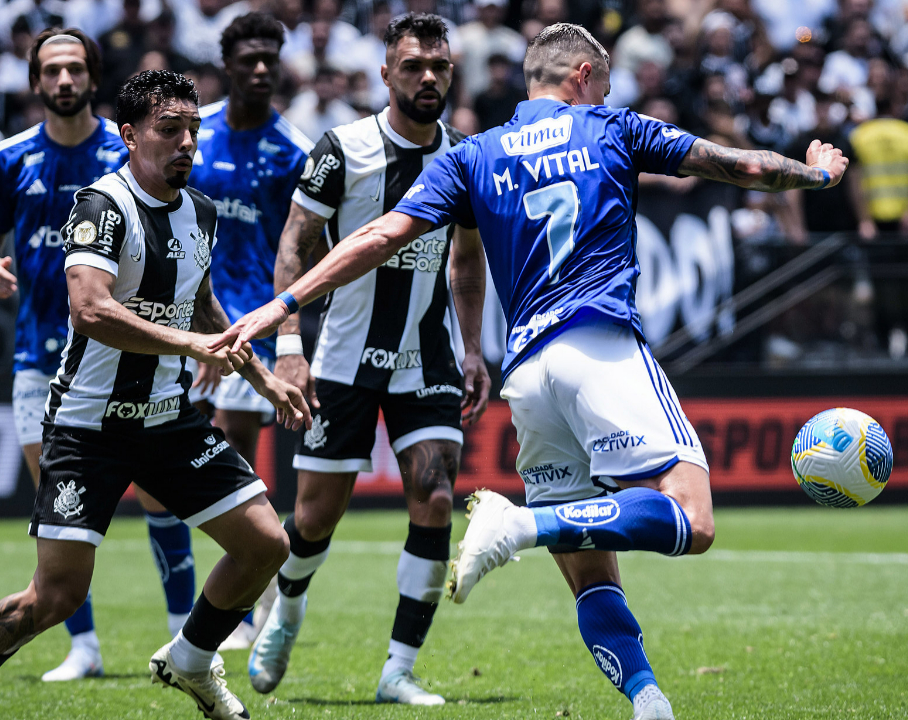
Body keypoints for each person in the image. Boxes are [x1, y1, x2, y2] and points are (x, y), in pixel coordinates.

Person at [216, 23, 848, 720]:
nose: (605, 95)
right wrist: (815, 170)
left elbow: (377, 235)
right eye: (603, 84)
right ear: (583, 76)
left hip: (528, 375)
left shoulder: (474, 154)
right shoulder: (609, 126)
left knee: (590, 573)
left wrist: (282, 306)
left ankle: (649, 702)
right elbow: (741, 167)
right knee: (692, 520)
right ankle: (520, 527)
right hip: (598, 343)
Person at [0, 68, 311, 720]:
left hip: (167, 421)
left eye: (193, 130)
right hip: (87, 429)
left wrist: (261, 375)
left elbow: (204, 307)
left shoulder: (201, 212)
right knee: (56, 596)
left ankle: (189, 659)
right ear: (130, 135)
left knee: (267, 545)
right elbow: (90, 310)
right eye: (170, 129)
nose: (187, 142)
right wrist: (188, 346)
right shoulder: (101, 206)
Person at [245, 12, 490, 706]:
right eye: (413, 66)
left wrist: (474, 349)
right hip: (344, 357)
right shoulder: (342, 148)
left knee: (436, 496)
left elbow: (466, 263)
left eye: (439, 66)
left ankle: (397, 672)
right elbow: (294, 244)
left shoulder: (466, 157)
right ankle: (286, 610)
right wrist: (289, 347)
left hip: (428, 357)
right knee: (316, 517)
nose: (428, 78)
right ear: (386, 73)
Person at [0, 28, 203, 683]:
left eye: (74, 68)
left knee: (162, 496)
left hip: (120, 360)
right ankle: (85, 647)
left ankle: (182, 634)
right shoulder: (10, 157)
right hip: (37, 358)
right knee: (58, 510)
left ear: (92, 77)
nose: (64, 80)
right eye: (52, 70)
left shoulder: (131, 150)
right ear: (36, 81)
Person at [186, 11, 314, 649]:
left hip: (249, 328)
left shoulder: (295, 148)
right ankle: (227, 591)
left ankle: (241, 597)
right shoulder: (192, 134)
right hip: (179, 322)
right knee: (178, 464)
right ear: (227, 65)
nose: (261, 69)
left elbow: (303, 249)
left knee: (228, 449)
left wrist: (284, 333)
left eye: (271, 58)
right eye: (249, 59)